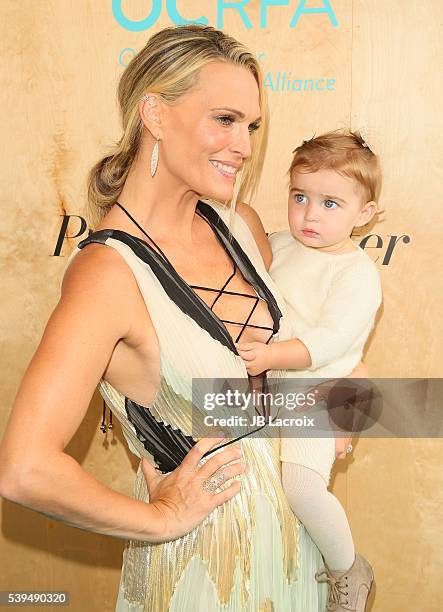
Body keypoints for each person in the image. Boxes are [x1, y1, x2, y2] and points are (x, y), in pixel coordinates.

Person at [0, 25, 332, 611]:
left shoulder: (242, 227)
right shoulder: (108, 272)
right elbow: (25, 468)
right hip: (202, 568)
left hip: (288, 544)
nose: (245, 146)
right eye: (224, 120)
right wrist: (160, 519)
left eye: (251, 126)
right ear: (154, 113)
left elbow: (260, 391)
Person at [237, 129, 382, 611]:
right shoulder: (280, 244)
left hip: (321, 389)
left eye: (331, 203)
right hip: (276, 389)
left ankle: (348, 569)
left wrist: (271, 357)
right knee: (267, 493)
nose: (310, 214)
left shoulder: (356, 273)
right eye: (300, 197)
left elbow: (331, 341)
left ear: (365, 214)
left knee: (301, 486)